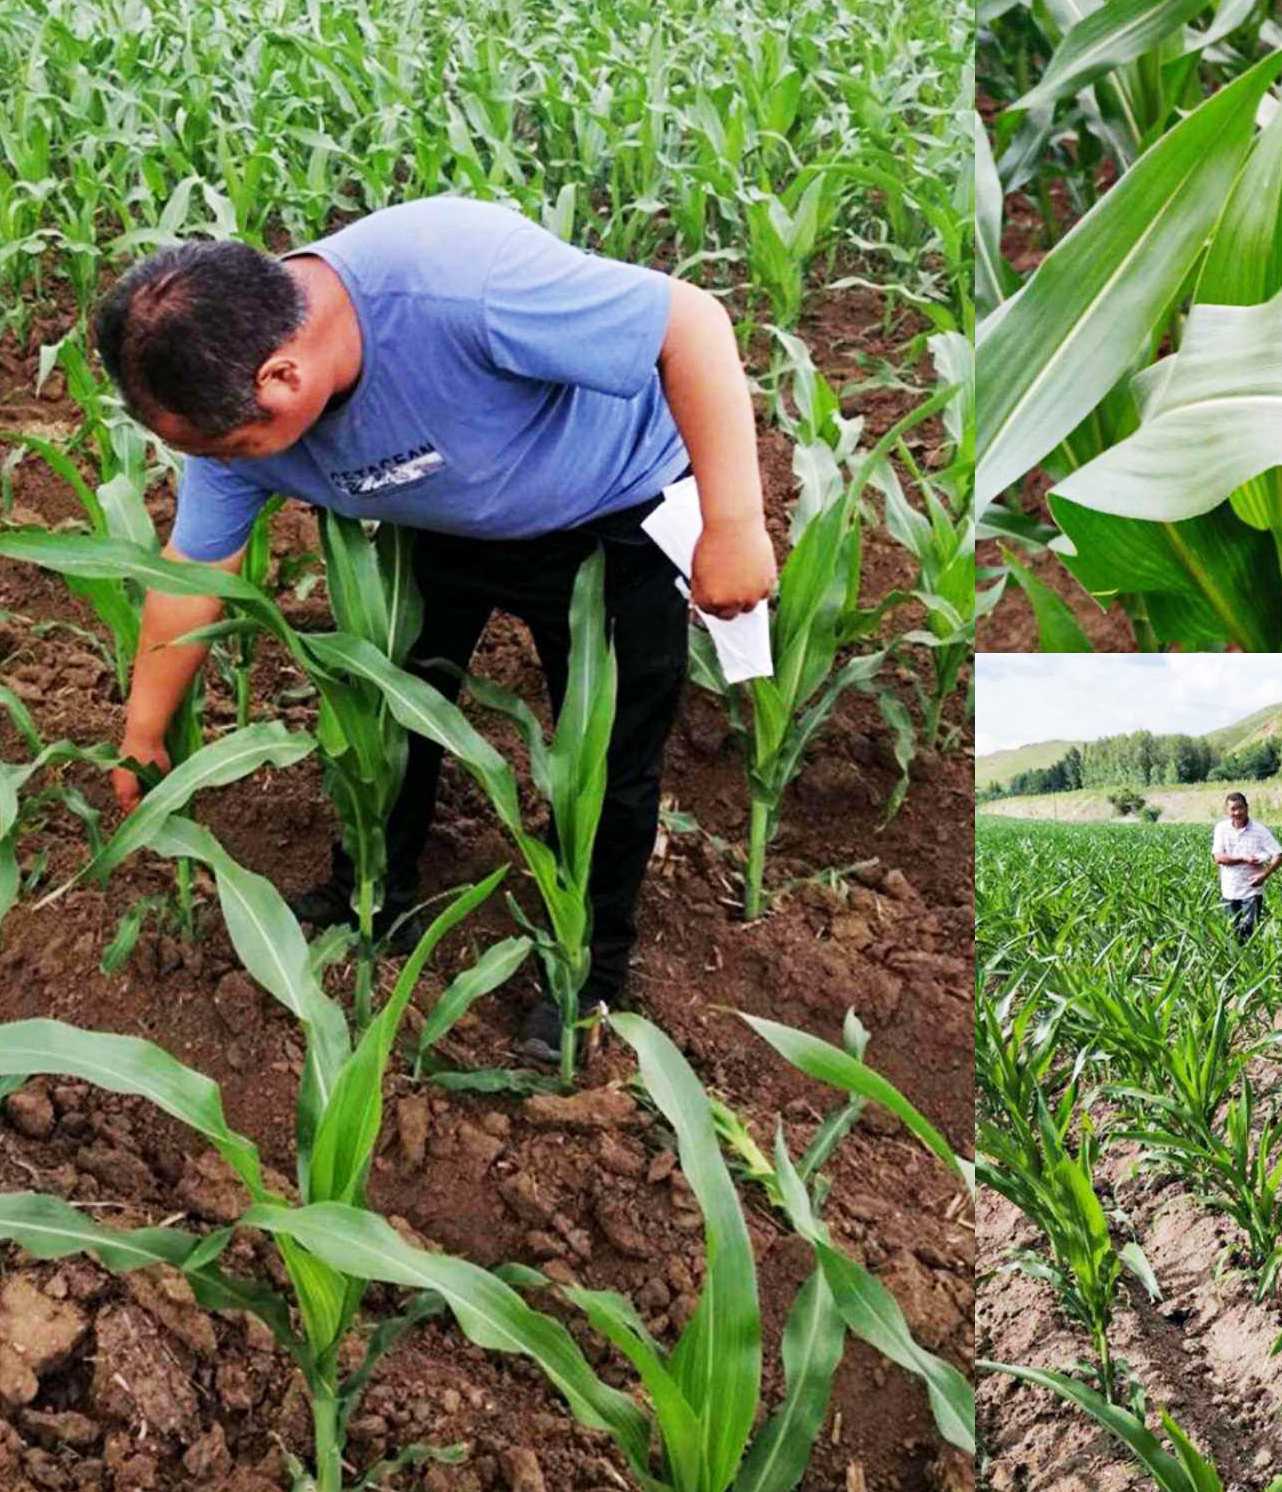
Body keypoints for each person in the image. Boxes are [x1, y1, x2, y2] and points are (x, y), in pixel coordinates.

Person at [95, 195, 776, 1062]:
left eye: (226, 448)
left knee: (606, 754)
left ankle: (588, 970)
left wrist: (735, 524)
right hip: (443, 518)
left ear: (281, 379)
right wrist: (143, 731)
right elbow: (193, 571)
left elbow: (692, 321)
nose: (219, 467)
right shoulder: (229, 416)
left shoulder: (460, 283)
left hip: (609, 509)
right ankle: (370, 889)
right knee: (394, 709)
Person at [1211, 791, 1282, 942]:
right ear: (1227, 811)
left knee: (1251, 933)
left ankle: (1252, 962)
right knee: (1232, 933)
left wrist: (1264, 875)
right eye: (1233, 809)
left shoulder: (1260, 830)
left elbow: (1278, 854)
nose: (1237, 812)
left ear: (1247, 808)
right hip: (1229, 890)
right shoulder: (1221, 829)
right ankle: (1235, 962)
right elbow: (1218, 858)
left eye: (1240, 808)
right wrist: (1244, 858)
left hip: (1252, 891)